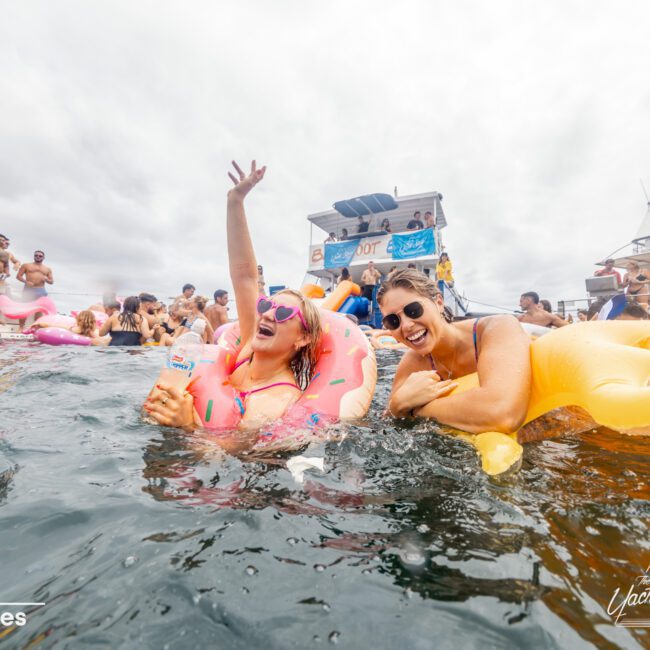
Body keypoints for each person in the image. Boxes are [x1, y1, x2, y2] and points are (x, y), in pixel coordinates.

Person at [145, 159, 322, 431]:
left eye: (284, 312)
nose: (269, 313)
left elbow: (230, 457)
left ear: (302, 337)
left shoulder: (280, 401)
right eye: (267, 304)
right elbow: (244, 276)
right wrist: (235, 200)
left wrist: (188, 426)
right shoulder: (250, 347)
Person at [379, 269, 531, 434]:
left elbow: (503, 413)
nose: (406, 325)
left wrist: (415, 411)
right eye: (393, 321)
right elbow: (388, 422)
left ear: (439, 303)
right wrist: (396, 406)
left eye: (413, 310)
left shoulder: (497, 329)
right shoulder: (413, 362)